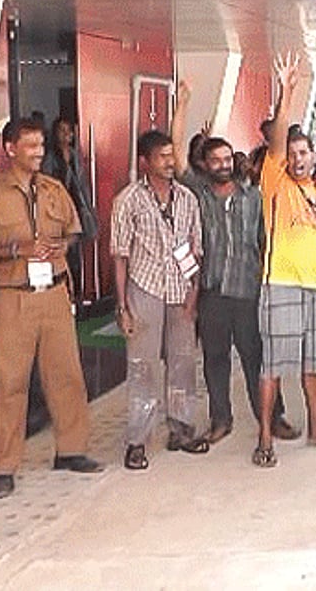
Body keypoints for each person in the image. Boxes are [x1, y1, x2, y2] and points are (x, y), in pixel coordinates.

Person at [0, 118, 103, 499]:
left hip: (55, 294)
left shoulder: (53, 189)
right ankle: (4, 467)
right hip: (13, 298)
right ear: (10, 149)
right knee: (9, 384)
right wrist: (17, 249)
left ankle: (71, 450)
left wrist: (64, 246)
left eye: (41, 145)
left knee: (67, 376)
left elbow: (74, 231)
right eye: (30, 145)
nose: (39, 152)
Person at [168, 82, 298, 445]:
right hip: (212, 292)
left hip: (248, 291)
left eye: (228, 159)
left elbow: (264, 242)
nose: (224, 165)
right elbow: (176, 153)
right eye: (216, 160)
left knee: (257, 358)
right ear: (205, 165)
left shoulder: (253, 197)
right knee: (215, 359)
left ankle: (273, 418)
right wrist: (182, 105)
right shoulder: (198, 193)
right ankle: (221, 420)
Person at [253, 52, 316, 467]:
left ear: (314, 156)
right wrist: (287, 91)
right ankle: (264, 436)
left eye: (304, 152)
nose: (297, 159)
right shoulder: (274, 183)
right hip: (280, 284)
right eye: (292, 153)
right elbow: (278, 138)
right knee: (273, 364)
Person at [111, 128, 209, 469]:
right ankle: (138, 440)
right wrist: (122, 307)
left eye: (172, 155)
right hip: (145, 289)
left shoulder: (187, 199)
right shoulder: (128, 201)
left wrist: (194, 293)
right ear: (145, 162)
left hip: (180, 291)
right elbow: (120, 256)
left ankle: (181, 429)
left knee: (183, 362)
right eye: (163, 157)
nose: (170, 162)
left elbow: (193, 250)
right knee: (144, 366)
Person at [40, 116, 98, 304]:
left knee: (75, 256)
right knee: (60, 255)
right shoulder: (50, 157)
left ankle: (77, 297)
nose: (66, 135)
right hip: (57, 212)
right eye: (62, 131)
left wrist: (88, 211)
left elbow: (82, 186)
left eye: (69, 131)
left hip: (76, 209)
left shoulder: (75, 155)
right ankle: (64, 297)